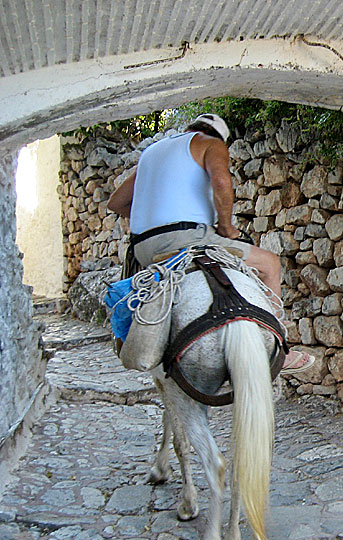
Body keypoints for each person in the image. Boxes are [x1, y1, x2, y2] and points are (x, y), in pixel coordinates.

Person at [107, 113, 314, 374]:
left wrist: (154, 221)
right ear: (219, 137)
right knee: (270, 264)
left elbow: (115, 203)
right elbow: (220, 182)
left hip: (143, 248)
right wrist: (226, 228)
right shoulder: (210, 143)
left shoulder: (154, 152)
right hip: (187, 238)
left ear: (189, 128)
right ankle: (279, 350)